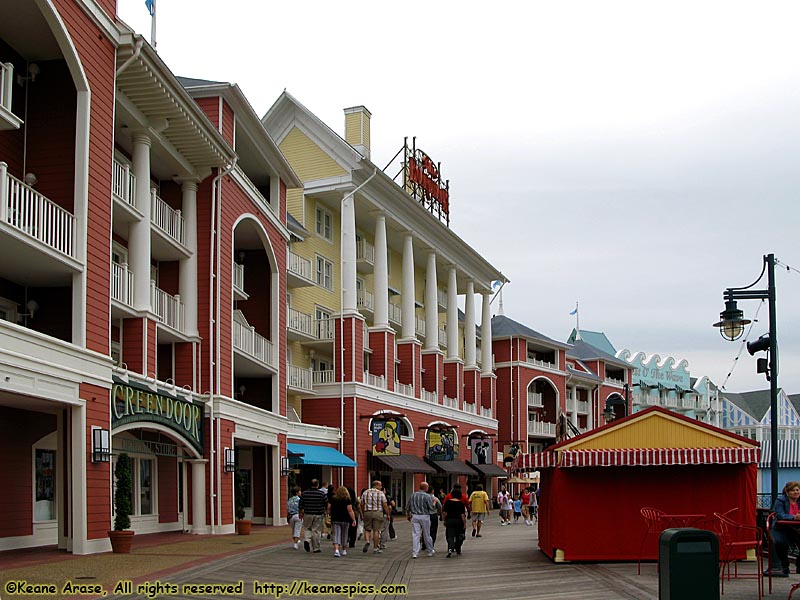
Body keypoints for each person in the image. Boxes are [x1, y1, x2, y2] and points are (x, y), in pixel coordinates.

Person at [765, 481, 800, 577]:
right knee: (780, 543)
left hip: (797, 528)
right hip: (781, 528)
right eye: (793, 490)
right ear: (787, 492)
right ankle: (785, 565)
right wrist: (794, 517)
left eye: (797, 490)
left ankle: (799, 563)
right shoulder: (781, 500)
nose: (796, 492)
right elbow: (780, 515)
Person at [360, 480, 390, 555]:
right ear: (377, 485)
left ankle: (367, 541)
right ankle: (375, 548)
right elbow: (385, 505)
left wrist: (363, 512)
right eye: (380, 485)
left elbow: (361, 503)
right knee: (376, 530)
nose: (381, 487)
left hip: (367, 512)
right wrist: (388, 514)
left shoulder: (365, 492)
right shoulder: (381, 493)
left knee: (367, 529)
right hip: (378, 512)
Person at [407, 481, 436, 558]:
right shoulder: (427, 496)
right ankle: (430, 550)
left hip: (415, 515)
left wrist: (408, 514)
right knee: (426, 534)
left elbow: (408, 506)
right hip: (425, 516)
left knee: (415, 534)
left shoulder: (413, 495)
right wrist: (434, 503)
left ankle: (415, 552)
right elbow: (431, 508)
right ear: (426, 488)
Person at [298, 479, 328, 553]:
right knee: (316, 530)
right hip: (318, 514)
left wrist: (301, 512)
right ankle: (316, 548)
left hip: (307, 513)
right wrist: (326, 511)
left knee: (307, 528)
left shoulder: (304, 493)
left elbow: (300, 504)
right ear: (317, 485)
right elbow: (326, 503)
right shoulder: (322, 494)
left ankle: (307, 540)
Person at [327, 486, 357, 558]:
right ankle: (344, 550)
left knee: (336, 534)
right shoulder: (347, 499)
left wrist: (328, 514)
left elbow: (328, 507)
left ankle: (336, 550)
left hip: (335, 518)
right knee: (344, 534)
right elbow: (350, 510)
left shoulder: (333, 499)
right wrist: (353, 519)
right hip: (345, 519)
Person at [443, 489, 467, 558]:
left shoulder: (447, 502)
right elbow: (462, 515)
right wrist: (464, 523)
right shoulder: (461, 503)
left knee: (450, 536)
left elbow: (444, 513)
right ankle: (458, 548)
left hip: (450, 520)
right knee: (459, 535)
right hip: (459, 521)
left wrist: (444, 520)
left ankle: (450, 548)